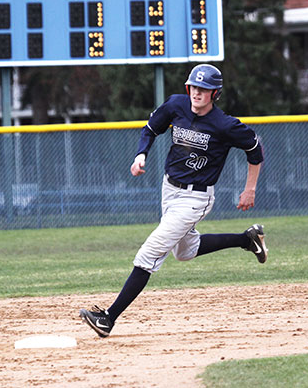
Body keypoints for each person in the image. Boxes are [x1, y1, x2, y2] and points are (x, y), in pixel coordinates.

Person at [80, 64, 267, 338]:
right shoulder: (176, 105)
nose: (197, 93)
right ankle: (247, 239)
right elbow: (150, 129)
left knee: (149, 253)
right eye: (194, 87)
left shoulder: (225, 124)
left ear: (215, 93)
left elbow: (255, 149)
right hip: (169, 189)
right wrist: (140, 154)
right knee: (184, 252)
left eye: (204, 89)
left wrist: (249, 189)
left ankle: (109, 317)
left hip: (196, 196)